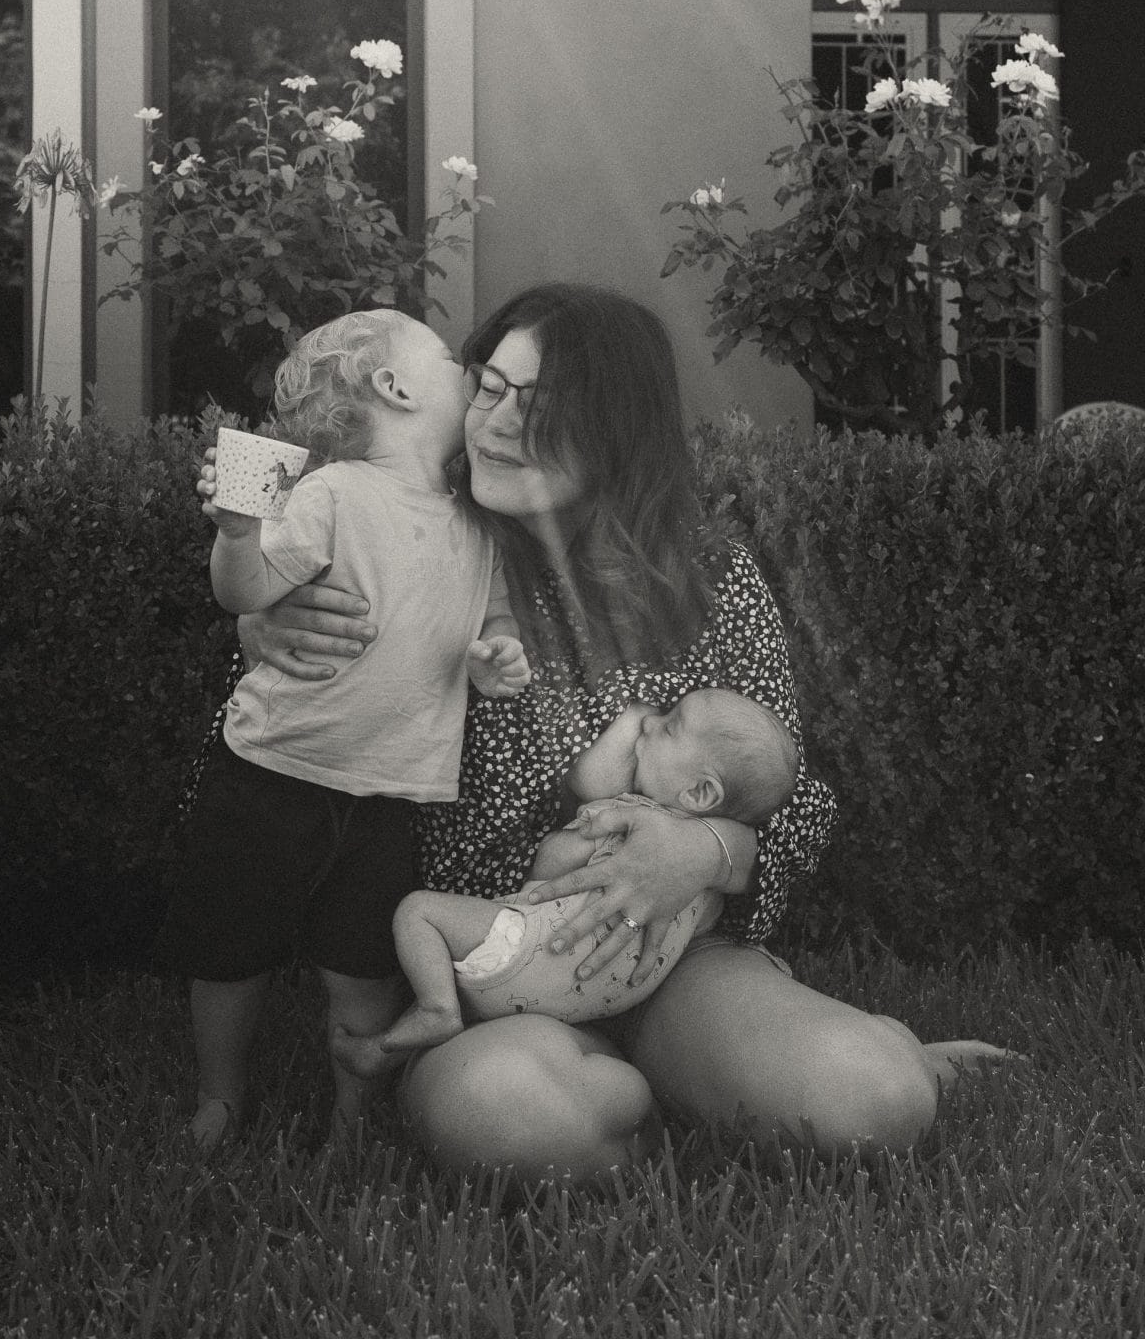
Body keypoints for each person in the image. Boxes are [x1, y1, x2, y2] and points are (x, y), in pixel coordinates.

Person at [233, 283, 1010, 1179]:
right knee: (514, 1122)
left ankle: (825, 1055)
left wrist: (710, 853)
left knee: (874, 1106)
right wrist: (264, 622)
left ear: (620, 428)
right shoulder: (405, 538)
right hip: (487, 970)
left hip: (676, 960)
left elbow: (795, 797)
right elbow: (269, 737)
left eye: (545, 405)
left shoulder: (708, 573)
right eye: (488, 384)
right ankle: (644, 1099)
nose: (497, 420)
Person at [156, 309, 531, 1151]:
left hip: (389, 795)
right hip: (270, 772)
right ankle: (220, 1094)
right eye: (444, 356)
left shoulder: (478, 524)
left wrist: (495, 658)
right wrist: (239, 532)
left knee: (362, 968)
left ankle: (351, 1120)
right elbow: (245, 593)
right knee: (228, 950)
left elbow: (492, 627)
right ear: (396, 389)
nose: (463, 363)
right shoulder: (331, 493)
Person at [331, 687, 798, 1076]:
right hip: (607, 994)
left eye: (670, 725)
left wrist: (571, 837)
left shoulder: (623, 815)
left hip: (527, 952)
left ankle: (434, 1008)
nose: (650, 723)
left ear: (699, 792)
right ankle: (400, 1048)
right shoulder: (705, 884)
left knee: (419, 912)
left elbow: (548, 869)